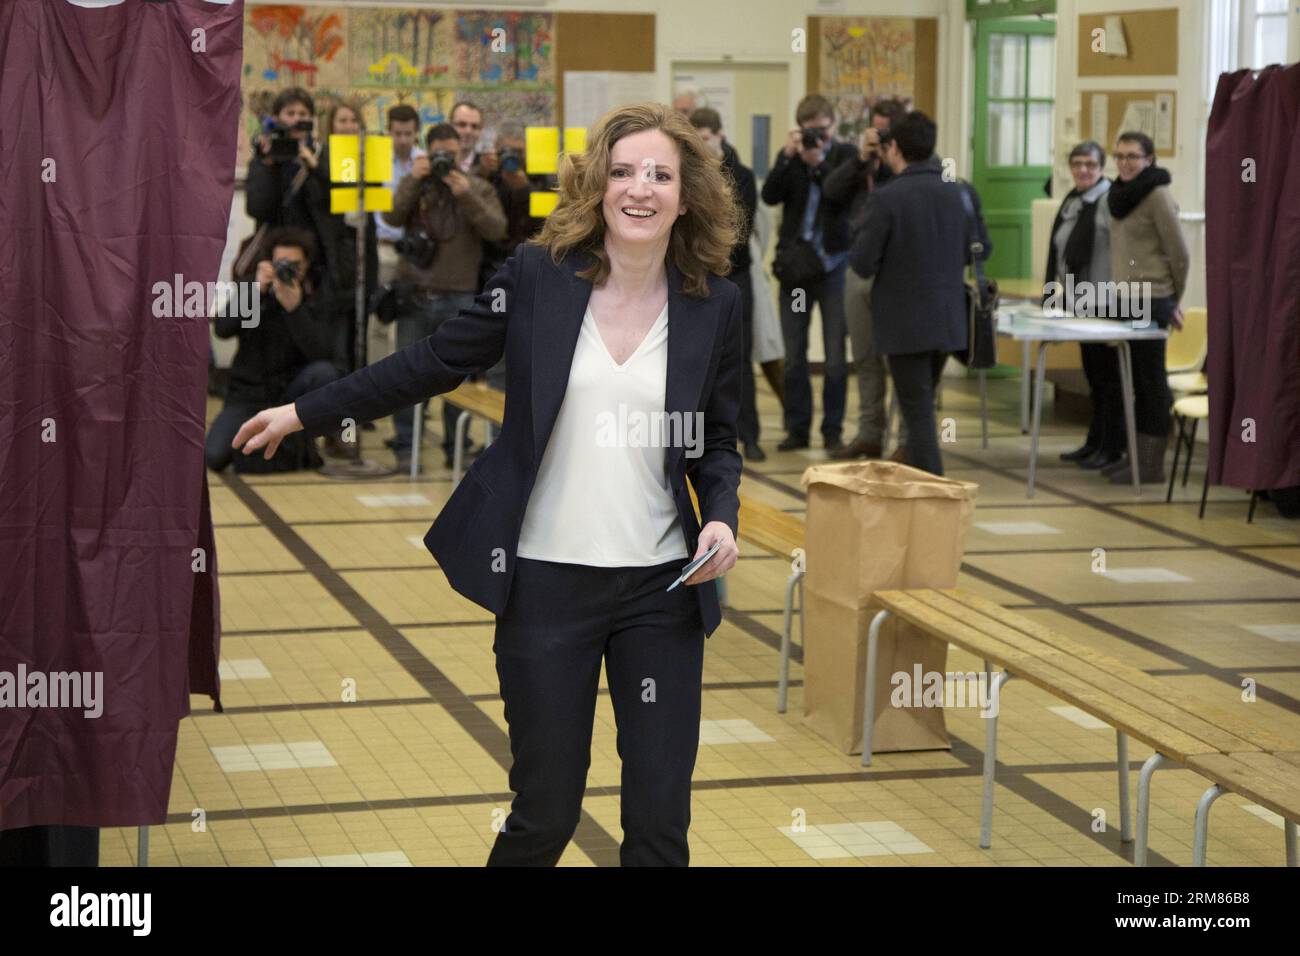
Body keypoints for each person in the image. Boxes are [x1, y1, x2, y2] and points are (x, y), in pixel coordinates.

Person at [231, 102, 744, 867]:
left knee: (661, 826)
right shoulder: (539, 277)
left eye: (661, 174)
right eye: (625, 170)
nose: (641, 188)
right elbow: (430, 362)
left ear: (687, 193)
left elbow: (719, 441)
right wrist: (306, 409)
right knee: (545, 814)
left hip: (660, 591)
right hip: (545, 583)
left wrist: (721, 519)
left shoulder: (715, 302)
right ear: (598, 183)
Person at [848, 111, 991, 477]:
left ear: (894, 148)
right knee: (922, 404)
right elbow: (981, 249)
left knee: (918, 413)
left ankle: (936, 493)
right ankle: (918, 493)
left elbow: (863, 264)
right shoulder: (961, 191)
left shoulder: (888, 198)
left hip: (904, 325)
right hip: (948, 320)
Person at [381, 122, 506, 471]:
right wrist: (412, 180)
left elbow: (497, 228)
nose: (443, 161)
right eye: (438, 154)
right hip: (415, 294)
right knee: (405, 377)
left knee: (459, 380)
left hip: (460, 297)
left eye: (450, 155)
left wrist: (466, 193)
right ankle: (406, 446)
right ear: (427, 151)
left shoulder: (476, 187)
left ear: (459, 153)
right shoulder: (419, 187)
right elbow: (390, 215)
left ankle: (457, 445)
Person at [761, 94, 857, 453]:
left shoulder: (846, 156)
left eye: (821, 130)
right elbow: (770, 195)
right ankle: (797, 427)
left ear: (833, 125)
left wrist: (817, 164)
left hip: (834, 267)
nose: (816, 137)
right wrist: (788, 159)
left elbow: (843, 195)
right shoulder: (792, 157)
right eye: (809, 131)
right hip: (797, 272)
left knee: (834, 356)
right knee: (795, 354)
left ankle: (833, 430)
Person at [206, 227, 343, 472]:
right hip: (248, 395)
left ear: (307, 264)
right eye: (281, 264)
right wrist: (256, 291)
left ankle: (301, 437)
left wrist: (295, 310)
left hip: (292, 395)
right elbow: (223, 330)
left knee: (324, 372)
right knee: (214, 456)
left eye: (295, 265)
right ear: (269, 262)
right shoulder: (254, 289)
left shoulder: (316, 295)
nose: (287, 271)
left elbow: (323, 353)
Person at [1102, 131, 1190, 485]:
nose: (1125, 163)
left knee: (1151, 382)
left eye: (1133, 156)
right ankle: (1134, 459)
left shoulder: (1157, 195)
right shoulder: (1117, 195)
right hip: (1126, 297)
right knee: (1134, 380)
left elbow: (1179, 254)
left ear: (1149, 160)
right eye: (1120, 156)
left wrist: (1172, 301)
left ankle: (1151, 465)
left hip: (1152, 298)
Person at [824, 97, 906, 460]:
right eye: (875, 128)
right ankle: (870, 433)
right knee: (865, 356)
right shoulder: (858, 161)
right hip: (858, 266)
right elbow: (831, 192)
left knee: (900, 359)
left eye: (886, 130)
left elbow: (901, 196)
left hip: (898, 271)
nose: (879, 136)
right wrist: (862, 160)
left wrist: (889, 162)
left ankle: (906, 439)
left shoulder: (908, 165)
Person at [1045, 140, 1122, 471]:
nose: (1083, 170)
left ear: (1102, 168)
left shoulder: (1108, 201)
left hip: (1105, 303)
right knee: (1093, 376)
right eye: (1077, 164)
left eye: (1090, 165)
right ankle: (1094, 441)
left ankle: (1111, 446)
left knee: (1109, 379)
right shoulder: (1073, 201)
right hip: (1080, 304)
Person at [691, 107, 762, 461]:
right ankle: (700, 439)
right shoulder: (688, 176)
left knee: (740, 358)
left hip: (734, 276)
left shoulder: (743, 175)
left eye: (705, 138)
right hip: (698, 275)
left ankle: (750, 436)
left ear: (719, 135)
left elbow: (739, 230)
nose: (702, 146)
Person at [449, 100, 485, 174]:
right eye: (462, 124)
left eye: (474, 126)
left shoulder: (486, 168)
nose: (468, 131)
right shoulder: (434, 165)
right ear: (450, 126)